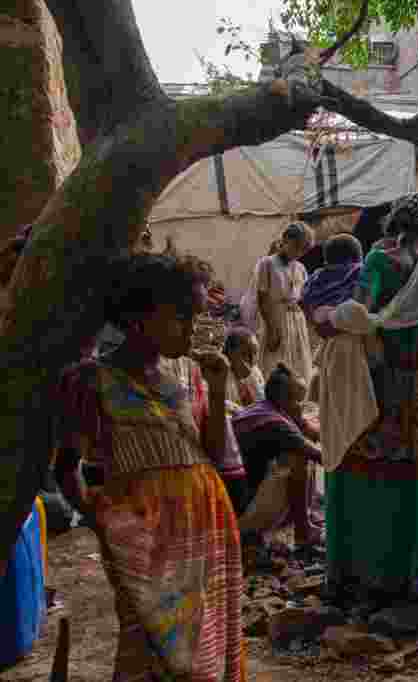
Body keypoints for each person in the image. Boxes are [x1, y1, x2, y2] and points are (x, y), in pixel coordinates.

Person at [54, 249, 246, 681]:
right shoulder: (91, 382)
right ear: (138, 315)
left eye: (196, 317)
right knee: (148, 649)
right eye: (181, 316)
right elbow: (66, 464)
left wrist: (217, 393)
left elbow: (211, 458)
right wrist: (99, 520)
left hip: (206, 531)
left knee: (203, 649)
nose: (193, 329)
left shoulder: (188, 376)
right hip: (141, 540)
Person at [329, 192, 418, 599]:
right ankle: (410, 571)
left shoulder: (380, 260)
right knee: (414, 470)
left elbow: (360, 312)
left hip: (379, 381)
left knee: (365, 461)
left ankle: (361, 570)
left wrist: (330, 318)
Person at [233, 364, 324, 564]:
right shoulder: (276, 424)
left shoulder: (261, 409)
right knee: (299, 458)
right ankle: (303, 532)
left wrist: (304, 422)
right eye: (300, 401)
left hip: (236, 503)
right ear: (284, 400)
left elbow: (311, 432)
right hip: (242, 512)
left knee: (293, 455)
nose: (303, 406)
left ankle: (302, 525)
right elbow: (322, 457)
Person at [254, 222, 315, 383]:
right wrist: (272, 328)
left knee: (298, 362)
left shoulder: (301, 268)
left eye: (303, 250)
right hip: (276, 319)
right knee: (276, 360)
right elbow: (262, 299)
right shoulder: (267, 264)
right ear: (286, 240)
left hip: (296, 320)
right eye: (296, 247)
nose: (299, 253)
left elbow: (303, 298)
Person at [300, 234, 364, 339]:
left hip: (327, 341)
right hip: (353, 338)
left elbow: (304, 301)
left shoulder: (315, 278)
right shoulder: (357, 273)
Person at [223, 328, 265, 414]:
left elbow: (264, 406)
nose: (252, 359)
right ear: (231, 353)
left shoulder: (254, 371)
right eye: (247, 353)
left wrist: (250, 378)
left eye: (255, 353)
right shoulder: (221, 373)